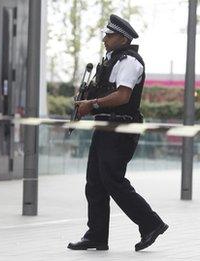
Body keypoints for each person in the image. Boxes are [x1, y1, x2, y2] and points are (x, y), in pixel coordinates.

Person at [67, 14, 168, 252]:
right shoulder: (110, 61)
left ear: (122, 38)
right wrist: (85, 102)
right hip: (105, 128)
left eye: (109, 35)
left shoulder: (129, 62)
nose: (105, 38)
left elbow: (123, 96)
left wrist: (92, 104)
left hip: (120, 129)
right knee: (94, 182)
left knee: (113, 181)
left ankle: (151, 223)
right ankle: (97, 235)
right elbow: (102, 94)